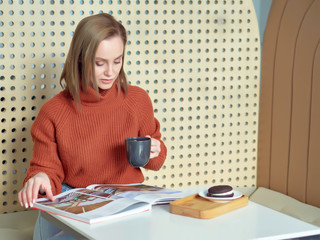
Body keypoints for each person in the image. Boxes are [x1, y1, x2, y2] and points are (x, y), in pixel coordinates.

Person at [18, 13, 167, 239]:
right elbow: (46, 168)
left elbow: (155, 162)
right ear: (80, 58)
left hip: (125, 203)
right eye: (100, 63)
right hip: (74, 202)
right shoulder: (53, 111)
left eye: (118, 61)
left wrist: (155, 149)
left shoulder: (137, 100)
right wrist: (40, 177)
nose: (110, 72)